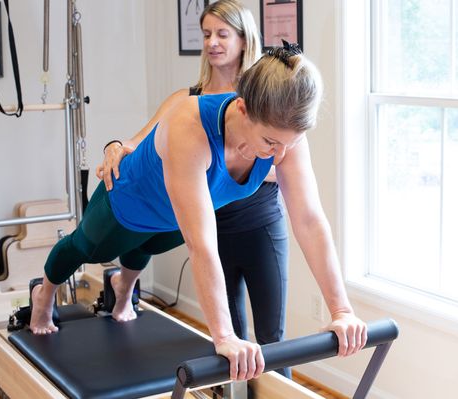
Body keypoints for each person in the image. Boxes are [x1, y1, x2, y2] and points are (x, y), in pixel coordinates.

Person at [30, 43, 368, 382]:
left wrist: (342, 311)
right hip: (125, 201)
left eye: (289, 144)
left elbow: (310, 220)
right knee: (85, 249)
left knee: (145, 248)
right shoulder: (189, 123)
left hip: (174, 216)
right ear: (243, 108)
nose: (280, 155)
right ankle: (43, 294)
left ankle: (123, 288)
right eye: (270, 143)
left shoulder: (284, 135)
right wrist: (224, 336)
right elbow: (203, 245)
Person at [97, 0, 293, 378]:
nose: (212, 43)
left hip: (260, 224)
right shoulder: (187, 101)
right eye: (206, 35)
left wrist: (209, 163)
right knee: (231, 340)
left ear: (243, 38)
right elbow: (139, 142)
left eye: (222, 34)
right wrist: (113, 146)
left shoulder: (267, 97)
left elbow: (281, 165)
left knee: (273, 336)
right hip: (214, 227)